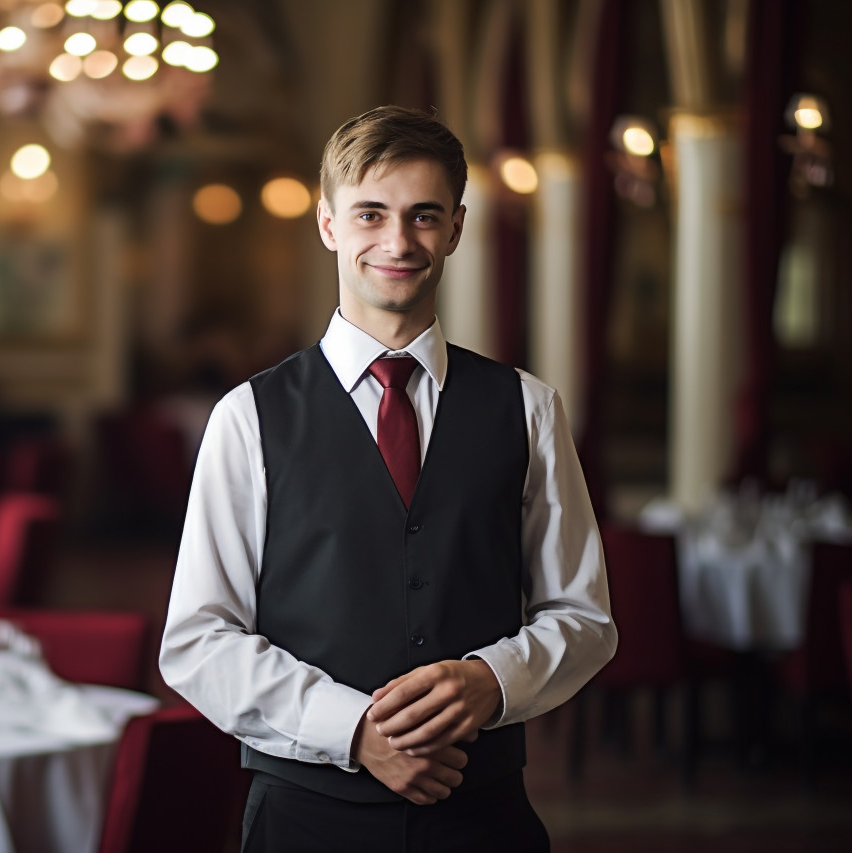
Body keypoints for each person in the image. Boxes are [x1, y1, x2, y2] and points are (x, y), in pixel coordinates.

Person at [158, 105, 617, 851]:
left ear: (457, 229)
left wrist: (491, 679)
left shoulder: (528, 407)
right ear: (329, 223)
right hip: (304, 819)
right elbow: (198, 638)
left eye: (423, 216)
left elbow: (585, 617)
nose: (398, 242)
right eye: (371, 213)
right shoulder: (248, 417)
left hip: (486, 817)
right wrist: (352, 730)